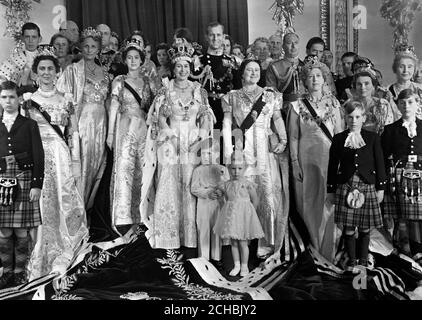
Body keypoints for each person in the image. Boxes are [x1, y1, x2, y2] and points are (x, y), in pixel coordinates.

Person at [140, 38, 215, 249]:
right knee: (169, 185)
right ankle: (169, 237)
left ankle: (190, 239)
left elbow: (206, 116)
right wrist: (172, 138)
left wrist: (200, 138)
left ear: (191, 68)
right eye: (179, 66)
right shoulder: (166, 89)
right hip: (170, 142)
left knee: (191, 186)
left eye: (186, 66)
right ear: (173, 68)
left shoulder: (198, 89)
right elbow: (159, 117)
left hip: (193, 142)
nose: (182, 70)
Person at [22, 49, 88, 280]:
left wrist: (76, 161)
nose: (47, 72)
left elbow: (74, 132)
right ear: (35, 73)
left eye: (51, 68)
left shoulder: (66, 99)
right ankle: (41, 250)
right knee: (41, 203)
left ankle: (65, 247)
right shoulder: (29, 101)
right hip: (38, 157)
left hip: (61, 156)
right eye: (42, 69)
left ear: (58, 72)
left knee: (64, 198)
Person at [222, 59, 289, 259]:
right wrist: (228, 152)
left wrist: (283, 140)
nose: (253, 73)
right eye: (249, 70)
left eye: (257, 70)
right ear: (242, 73)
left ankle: (266, 242)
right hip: (243, 151)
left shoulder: (270, 95)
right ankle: (242, 237)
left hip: (265, 151)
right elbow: (226, 124)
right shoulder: (231, 97)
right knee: (242, 196)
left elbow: (277, 118)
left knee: (267, 195)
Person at [288, 55, 344, 261]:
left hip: (330, 160)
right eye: (310, 76)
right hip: (306, 160)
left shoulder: (334, 103)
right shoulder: (297, 105)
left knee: (329, 204)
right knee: (309, 203)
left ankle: (330, 251)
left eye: (318, 76)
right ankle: (312, 249)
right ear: (305, 80)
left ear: (324, 79)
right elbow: (293, 137)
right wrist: (294, 164)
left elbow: (339, 135)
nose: (314, 80)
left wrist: (341, 164)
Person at [327, 100, 386, 270]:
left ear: (363, 118)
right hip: (346, 186)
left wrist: (381, 187)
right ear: (345, 118)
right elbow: (332, 165)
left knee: (366, 228)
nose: (354, 120)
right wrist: (331, 189)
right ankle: (352, 263)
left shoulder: (373, 138)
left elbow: (380, 163)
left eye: (357, 116)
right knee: (349, 228)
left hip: (367, 185)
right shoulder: (338, 139)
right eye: (350, 116)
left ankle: (363, 261)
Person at [57, 27, 109, 211]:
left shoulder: (106, 73)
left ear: (98, 48)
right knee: (83, 166)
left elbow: (109, 103)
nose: (89, 50)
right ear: (81, 47)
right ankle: (77, 214)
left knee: (98, 166)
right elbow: (63, 99)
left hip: (102, 124)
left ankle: (88, 210)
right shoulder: (72, 71)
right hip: (83, 124)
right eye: (85, 46)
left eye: (93, 46)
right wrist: (70, 125)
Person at [0, 81, 44, 288]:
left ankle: (20, 272)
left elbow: (38, 156)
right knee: (4, 231)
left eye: (11, 97)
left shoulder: (29, 125)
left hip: (24, 179)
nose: (7, 101)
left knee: (20, 231)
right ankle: (6, 271)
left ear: (19, 100)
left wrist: (36, 184)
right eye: (3, 97)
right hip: (0, 181)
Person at [107, 39, 153, 235]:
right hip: (124, 127)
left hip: (143, 128)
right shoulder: (119, 81)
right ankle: (123, 217)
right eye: (129, 57)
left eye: (136, 57)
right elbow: (114, 107)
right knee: (125, 169)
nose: (133, 60)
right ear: (125, 60)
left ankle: (141, 214)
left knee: (142, 169)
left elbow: (153, 109)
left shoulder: (149, 82)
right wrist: (110, 133)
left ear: (142, 60)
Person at [382, 89, 422, 266]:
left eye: (411, 102)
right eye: (403, 103)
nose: (406, 106)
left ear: (418, 104)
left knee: (418, 216)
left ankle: (418, 249)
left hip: (420, 173)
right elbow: (383, 156)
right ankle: (402, 248)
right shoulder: (390, 130)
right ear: (397, 105)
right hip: (398, 174)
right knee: (401, 216)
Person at [214, 150, 264, 277]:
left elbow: (255, 199)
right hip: (231, 216)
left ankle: (244, 266)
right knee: (234, 242)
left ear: (245, 168)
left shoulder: (248, 184)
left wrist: (251, 215)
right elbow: (221, 195)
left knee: (242, 242)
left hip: (244, 216)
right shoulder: (227, 184)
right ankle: (236, 265)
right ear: (229, 169)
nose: (236, 171)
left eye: (240, 168)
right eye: (233, 169)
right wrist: (217, 194)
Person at [191, 140, 230, 266]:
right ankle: (203, 258)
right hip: (204, 204)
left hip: (218, 203)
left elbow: (228, 185)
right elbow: (194, 188)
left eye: (209, 153)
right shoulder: (198, 171)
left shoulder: (222, 169)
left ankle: (216, 256)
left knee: (216, 229)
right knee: (203, 229)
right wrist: (207, 193)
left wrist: (221, 191)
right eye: (203, 154)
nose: (205, 157)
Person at [193, 21, 237, 130]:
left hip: (227, 109)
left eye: (218, 35)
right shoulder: (199, 61)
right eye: (212, 35)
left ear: (223, 37)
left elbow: (237, 87)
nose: (215, 38)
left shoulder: (232, 61)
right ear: (206, 37)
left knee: (227, 143)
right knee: (209, 144)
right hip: (206, 109)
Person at [350, 61, 399, 135]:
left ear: (373, 86)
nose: (363, 88)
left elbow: (388, 128)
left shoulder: (383, 104)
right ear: (355, 87)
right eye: (359, 84)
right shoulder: (350, 105)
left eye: (366, 83)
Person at [266, 32, 304, 113]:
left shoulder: (306, 66)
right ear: (283, 46)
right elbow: (271, 92)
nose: (293, 46)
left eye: (296, 43)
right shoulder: (274, 67)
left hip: (304, 109)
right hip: (283, 109)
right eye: (289, 43)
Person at [0, 23, 42, 91]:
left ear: (39, 39)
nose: (30, 41)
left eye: (34, 37)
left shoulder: (47, 59)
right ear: (22, 38)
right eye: (27, 37)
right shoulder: (13, 59)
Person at [388, 44, 422, 117]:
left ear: (414, 69)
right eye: (401, 66)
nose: (405, 70)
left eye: (409, 67)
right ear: (395, 68)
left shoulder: (420, 90)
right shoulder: (387, 92)